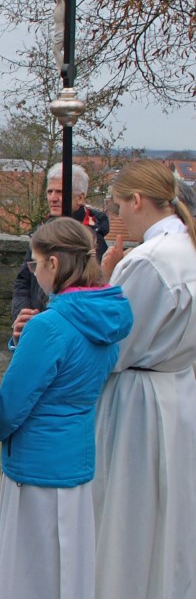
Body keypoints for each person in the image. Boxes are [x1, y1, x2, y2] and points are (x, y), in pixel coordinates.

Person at [0, 217, 133, 599]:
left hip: (34, 468)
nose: (33, 270)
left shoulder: (50, 326)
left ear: (54, 264)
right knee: (68, 570)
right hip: (76, 461)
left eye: (35, 261)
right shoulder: (103, 317)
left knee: (29, 573)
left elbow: (10, 407)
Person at [93, 159, 196, 599]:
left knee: (129, 515)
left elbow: (115, 343)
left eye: (118, 205)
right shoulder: (187, 250)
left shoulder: (151, 261)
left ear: (137, 201)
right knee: (171, 515)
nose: (118, 217)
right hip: (178, 390)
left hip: (139, 401)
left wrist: (107, 278)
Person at [10, 162, 109, 347]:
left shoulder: (90, 240)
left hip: (67, 336)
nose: (53, 198)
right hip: (35, 328)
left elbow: (87, 292)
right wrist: (22, 315)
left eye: (61, 192)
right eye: (50, 192)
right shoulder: (42, 232)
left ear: (80, 198)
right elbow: (23, 281)